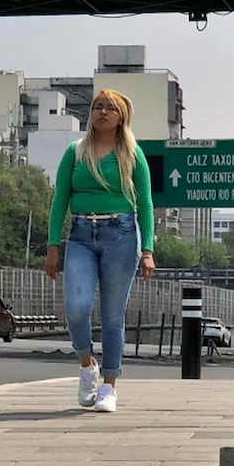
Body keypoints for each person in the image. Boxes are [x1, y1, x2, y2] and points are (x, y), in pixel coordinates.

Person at [44, 89, 155, 413]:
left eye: (110, 108)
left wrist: (147, 249)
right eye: (97, 107)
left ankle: (109, 385)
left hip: (120, 233)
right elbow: (59, 199)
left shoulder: (132, 154)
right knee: (76, 306)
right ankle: (85, 364)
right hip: (79, 234)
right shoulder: (75, 151)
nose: (102, 112)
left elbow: (145, 205)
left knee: (112, 315)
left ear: (121, 117)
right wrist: (52, 245)